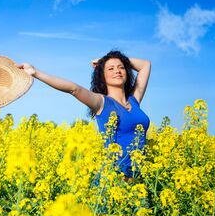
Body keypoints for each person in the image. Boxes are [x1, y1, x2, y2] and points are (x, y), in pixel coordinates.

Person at [16, 50, 151, 180]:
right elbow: (74, 89)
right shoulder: (101, 102)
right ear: (102, 75)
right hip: (114, 180)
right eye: (110, 69)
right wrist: (35, 73)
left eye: (121, 67)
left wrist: (105, 60)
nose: (117, 71)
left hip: (138, 180)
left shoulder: (134, 100)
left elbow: (145, 65)